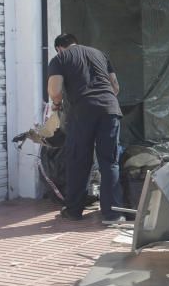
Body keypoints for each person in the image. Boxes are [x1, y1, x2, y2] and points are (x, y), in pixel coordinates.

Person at [47, 34, 124, 223]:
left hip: (82, 112)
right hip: (110, 109)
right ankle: (113, 214)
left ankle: (73, 210)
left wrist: (57, 106)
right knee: (110, 161)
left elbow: (55, 91)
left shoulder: (60, 58)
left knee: (78, 160)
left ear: (59, 48)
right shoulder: (100, 54)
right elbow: (115, 86)